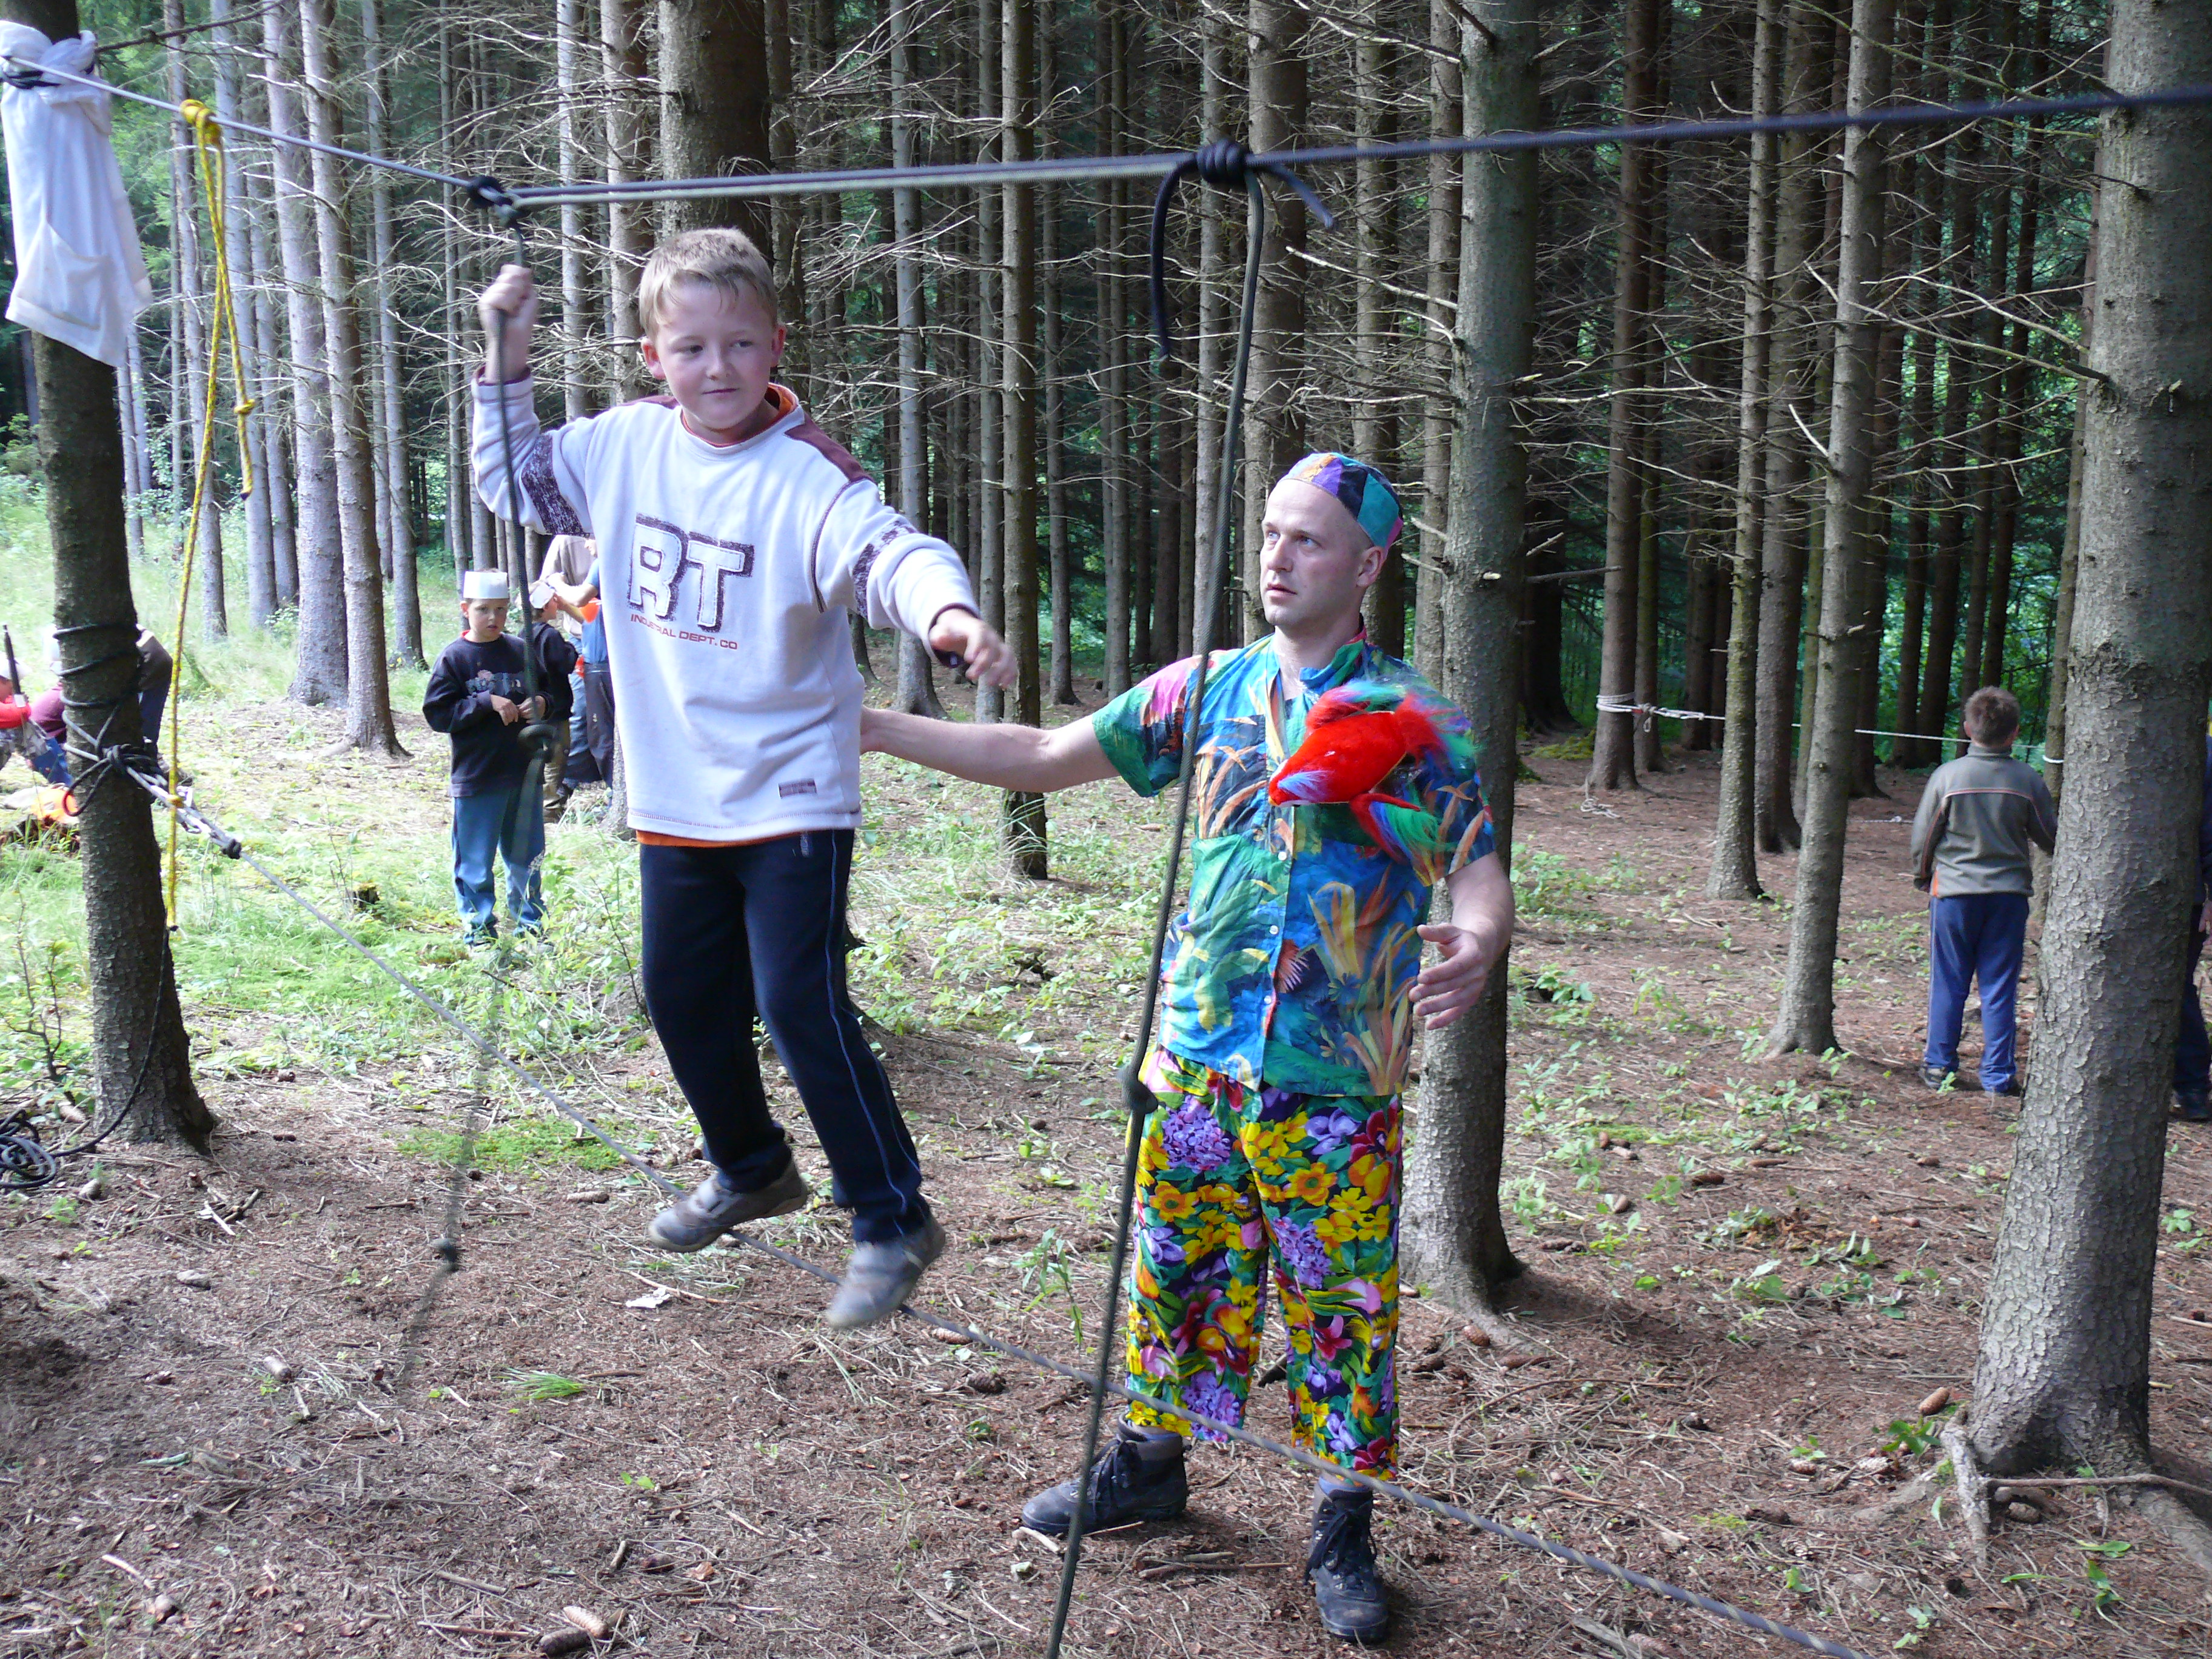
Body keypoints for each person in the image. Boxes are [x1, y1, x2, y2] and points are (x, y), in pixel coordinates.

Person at [862, 454, 1513, 1646]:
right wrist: (868, 728)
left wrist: (1476, 941)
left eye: (1308, 539)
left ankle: (1341, 1526)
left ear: (1368, 564)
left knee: (1341, 1304)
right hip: (1199, 1059)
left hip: (1335, 1077)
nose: (1278, 556)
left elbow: (1475, 867)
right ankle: (1150, 1465)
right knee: (1176, 1273)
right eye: (1270, 533)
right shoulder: (1205, 688)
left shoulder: (1410, 717)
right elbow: (1041, 754)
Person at [471, 227, 1013, 1329]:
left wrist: (947, 614)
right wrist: (507, 357)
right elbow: (509, 476)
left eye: (738, 344)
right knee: (676, 993)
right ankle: (752, 1164)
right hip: (676, 797)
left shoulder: (807, 473)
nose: (716, 368)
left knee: (796, 999)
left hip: (791, 792)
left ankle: (891, 1218)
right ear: (651, 356)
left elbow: (889, 553)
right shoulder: (620, 448)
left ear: (776, 344)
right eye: (690, 348)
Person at [1911, 686, 2057, 1098]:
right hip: (2008, 898)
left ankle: (1939, 1066)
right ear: (2014, 733)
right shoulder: (2028, 780)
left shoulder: (1947, 777)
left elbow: (1924, 837)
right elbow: (2050, 838)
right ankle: (1998, 1075)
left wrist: (1923, 876)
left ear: (1967, 729)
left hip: (1954, 894)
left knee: (1949, 982)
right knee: (1999, 986)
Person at [422, 569, 552, 947]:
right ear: (466, 610)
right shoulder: (455, 657)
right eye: (483, 609)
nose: (493, 618)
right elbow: (438, 714)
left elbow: (553, 694)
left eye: (501, 609)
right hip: (478, 776)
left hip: (524, 773)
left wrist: (542, 702)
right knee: (476, 862)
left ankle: (531, 928)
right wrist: (484, 702)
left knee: (527, 859)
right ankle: (479, 932)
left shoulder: (521, 650)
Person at [2174, 736, 2212, 1122]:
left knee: (2176, 987)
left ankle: (2192, 1086)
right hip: (2116, 898)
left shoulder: (2204, 754)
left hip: (2186, 898)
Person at [526, 579, 580, 820]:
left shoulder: (524, 634)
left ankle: (535, 803)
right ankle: (550, 808)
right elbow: (566, 663)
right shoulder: (551, 636)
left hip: (534, 709)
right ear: (546, 606)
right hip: (556, 708)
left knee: (538, 756)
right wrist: (571, 649)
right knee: (556, 757)